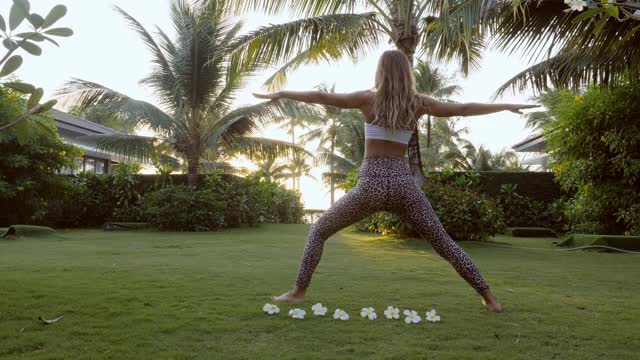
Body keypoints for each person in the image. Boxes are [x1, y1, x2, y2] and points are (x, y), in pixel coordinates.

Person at [254, 50, 537, 312]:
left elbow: (321, 96)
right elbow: (462, 108)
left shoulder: (367, 99)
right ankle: (489, 298)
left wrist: (282, 93)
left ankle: (298, 292)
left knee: (318, 231)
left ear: (380, 72)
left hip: (371, 184)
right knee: (444, 244)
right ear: (407, 73)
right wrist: (505, 106)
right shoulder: (418, 104)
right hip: (403, 184)